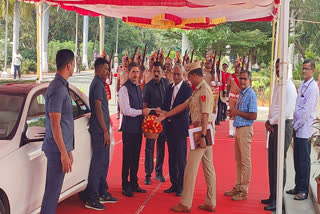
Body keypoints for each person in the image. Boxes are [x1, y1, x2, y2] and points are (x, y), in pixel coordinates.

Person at [156, 61, 216, 213]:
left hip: (202, 131)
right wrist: (166, 114)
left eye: (189, 76)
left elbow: (205, 114)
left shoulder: (204, 90)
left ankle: (185, 203)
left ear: (195, 75)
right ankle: (211, 201)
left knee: (190, 168)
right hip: (202, 130)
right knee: (208, 168)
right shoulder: (198, 90)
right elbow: (183, 105)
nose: (188, 79)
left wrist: (202, 135)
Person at [40, 49, 75, 213]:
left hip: (60, 148)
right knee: (52, 194)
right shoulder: (57, 88)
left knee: (54, 192)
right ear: (69, 65)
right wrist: (63, 152)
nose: (74, 67)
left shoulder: (62, 86)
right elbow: (55, 124)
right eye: (74, 64)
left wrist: (67, 149)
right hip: (55, 150)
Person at [262, 59, 297, 211]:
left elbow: (286, 112)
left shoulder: (288, 87)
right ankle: (272, 195)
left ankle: (278, 200)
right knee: (272, 163)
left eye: (280, 67)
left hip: (284, 126)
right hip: (274, 127)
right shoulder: (278, 84)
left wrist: (271, 121)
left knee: (279, 165)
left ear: (286, 68)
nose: (277, 70)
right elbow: (274, 107)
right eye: (276, 67)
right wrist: (269, 121)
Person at [84, 58, 117, 211]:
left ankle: (102, 191)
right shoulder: (97, 84)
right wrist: (105, 130)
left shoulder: (101, 83)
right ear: (98, 68)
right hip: (99, 130)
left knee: (104, 162)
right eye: (105, 68)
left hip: (103, 128)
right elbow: (97, 107)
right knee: (98, 163)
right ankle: (91, 197)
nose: (107, 71)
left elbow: (103, 108)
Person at [286, 59, 319, 200]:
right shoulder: (303, 85)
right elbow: (297, 107)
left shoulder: (313, 88)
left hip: (304, 130)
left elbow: (306, 112)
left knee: (303, 161)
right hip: (298, 128)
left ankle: (304, 190)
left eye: (307, 69)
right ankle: (298, 186)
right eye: (303, 68)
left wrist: (295, 126)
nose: (304, 71)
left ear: (313, 71)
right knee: (297, 159)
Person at [224, 70, 257, 201]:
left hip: (245, 129)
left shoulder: (251, 94)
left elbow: (253, 115)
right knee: (238, 161)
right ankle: (238, 187)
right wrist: (233, 113)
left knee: (245, 161)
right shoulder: (242, 93)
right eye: (241, 79)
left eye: (245, 79)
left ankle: (244, 191)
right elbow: (241, 112)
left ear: (250, 80)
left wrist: (237, 112)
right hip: (238, 128)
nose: (242, 81)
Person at [119, 62, 150, 197]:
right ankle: (125, 185)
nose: (135, 75)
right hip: (128, 129)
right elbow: (126, 110)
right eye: (133, 72)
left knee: (136, 157)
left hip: (138, 128)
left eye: (137, 72)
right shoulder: (124, 89)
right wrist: (142, 112)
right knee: (128, 157)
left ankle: (134, 183)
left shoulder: (138, 88)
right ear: (128, 72)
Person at [162, 63, 192, 196]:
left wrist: (170, 117)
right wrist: (164, 115)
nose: (176, 76)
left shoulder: (187, 89)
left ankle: (181, 186)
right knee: (172, 157)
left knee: (181, 158)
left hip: (180, 127)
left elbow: (184, 109)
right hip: (169, 128)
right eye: (174, 74)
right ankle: (174, 184)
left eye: (179, 74)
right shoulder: (169, 88)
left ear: (184, 75)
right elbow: (165, 104)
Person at [143, 61, 170, 185]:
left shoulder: (167, 83)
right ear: (151, 72)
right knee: (149, 148)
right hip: (151, 121)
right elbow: (145, 107)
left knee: (161, 148)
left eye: (159, 71)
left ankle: (158, 173)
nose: (156, 74)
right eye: (154, 71)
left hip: (163, 120)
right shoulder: (148, 86)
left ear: (162, 72)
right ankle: (148, 174)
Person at [226, 60, 241, 137]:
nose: (237, 69)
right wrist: (226, 97)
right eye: (235, 67)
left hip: (239, 97)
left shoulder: (242, 77)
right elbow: (228, 87)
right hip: (232, 96)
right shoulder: (231, 76)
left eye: (238, 67)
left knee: (238, 114)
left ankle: (236, 131)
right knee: (231, 113)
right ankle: (231, 131)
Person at [117, 52, 130, 131]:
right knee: (121, 108)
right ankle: (120, 125)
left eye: (126, 62)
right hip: (121, 89)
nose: (124, 63)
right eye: (123, 61)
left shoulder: (130, 71)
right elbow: (118, 81)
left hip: (128, 90)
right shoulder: (120, 70)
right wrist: (117, 92)